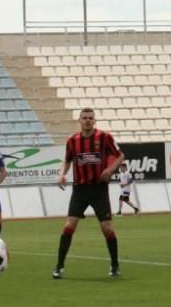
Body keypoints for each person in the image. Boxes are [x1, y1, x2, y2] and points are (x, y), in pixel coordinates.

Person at [53, 108, 124, 279]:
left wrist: (110, 169)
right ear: (79, 120)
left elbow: (120, 156)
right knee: (69, 226)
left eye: (90, 118)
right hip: (80, 190)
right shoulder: (72, 140)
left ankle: (115, 265)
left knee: (106, 228)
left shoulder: (104, 137)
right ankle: (59, 266)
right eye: (84, 118)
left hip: (99, 189)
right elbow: (68, 160)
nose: (87, 121)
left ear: (94, 121)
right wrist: (62, 174)